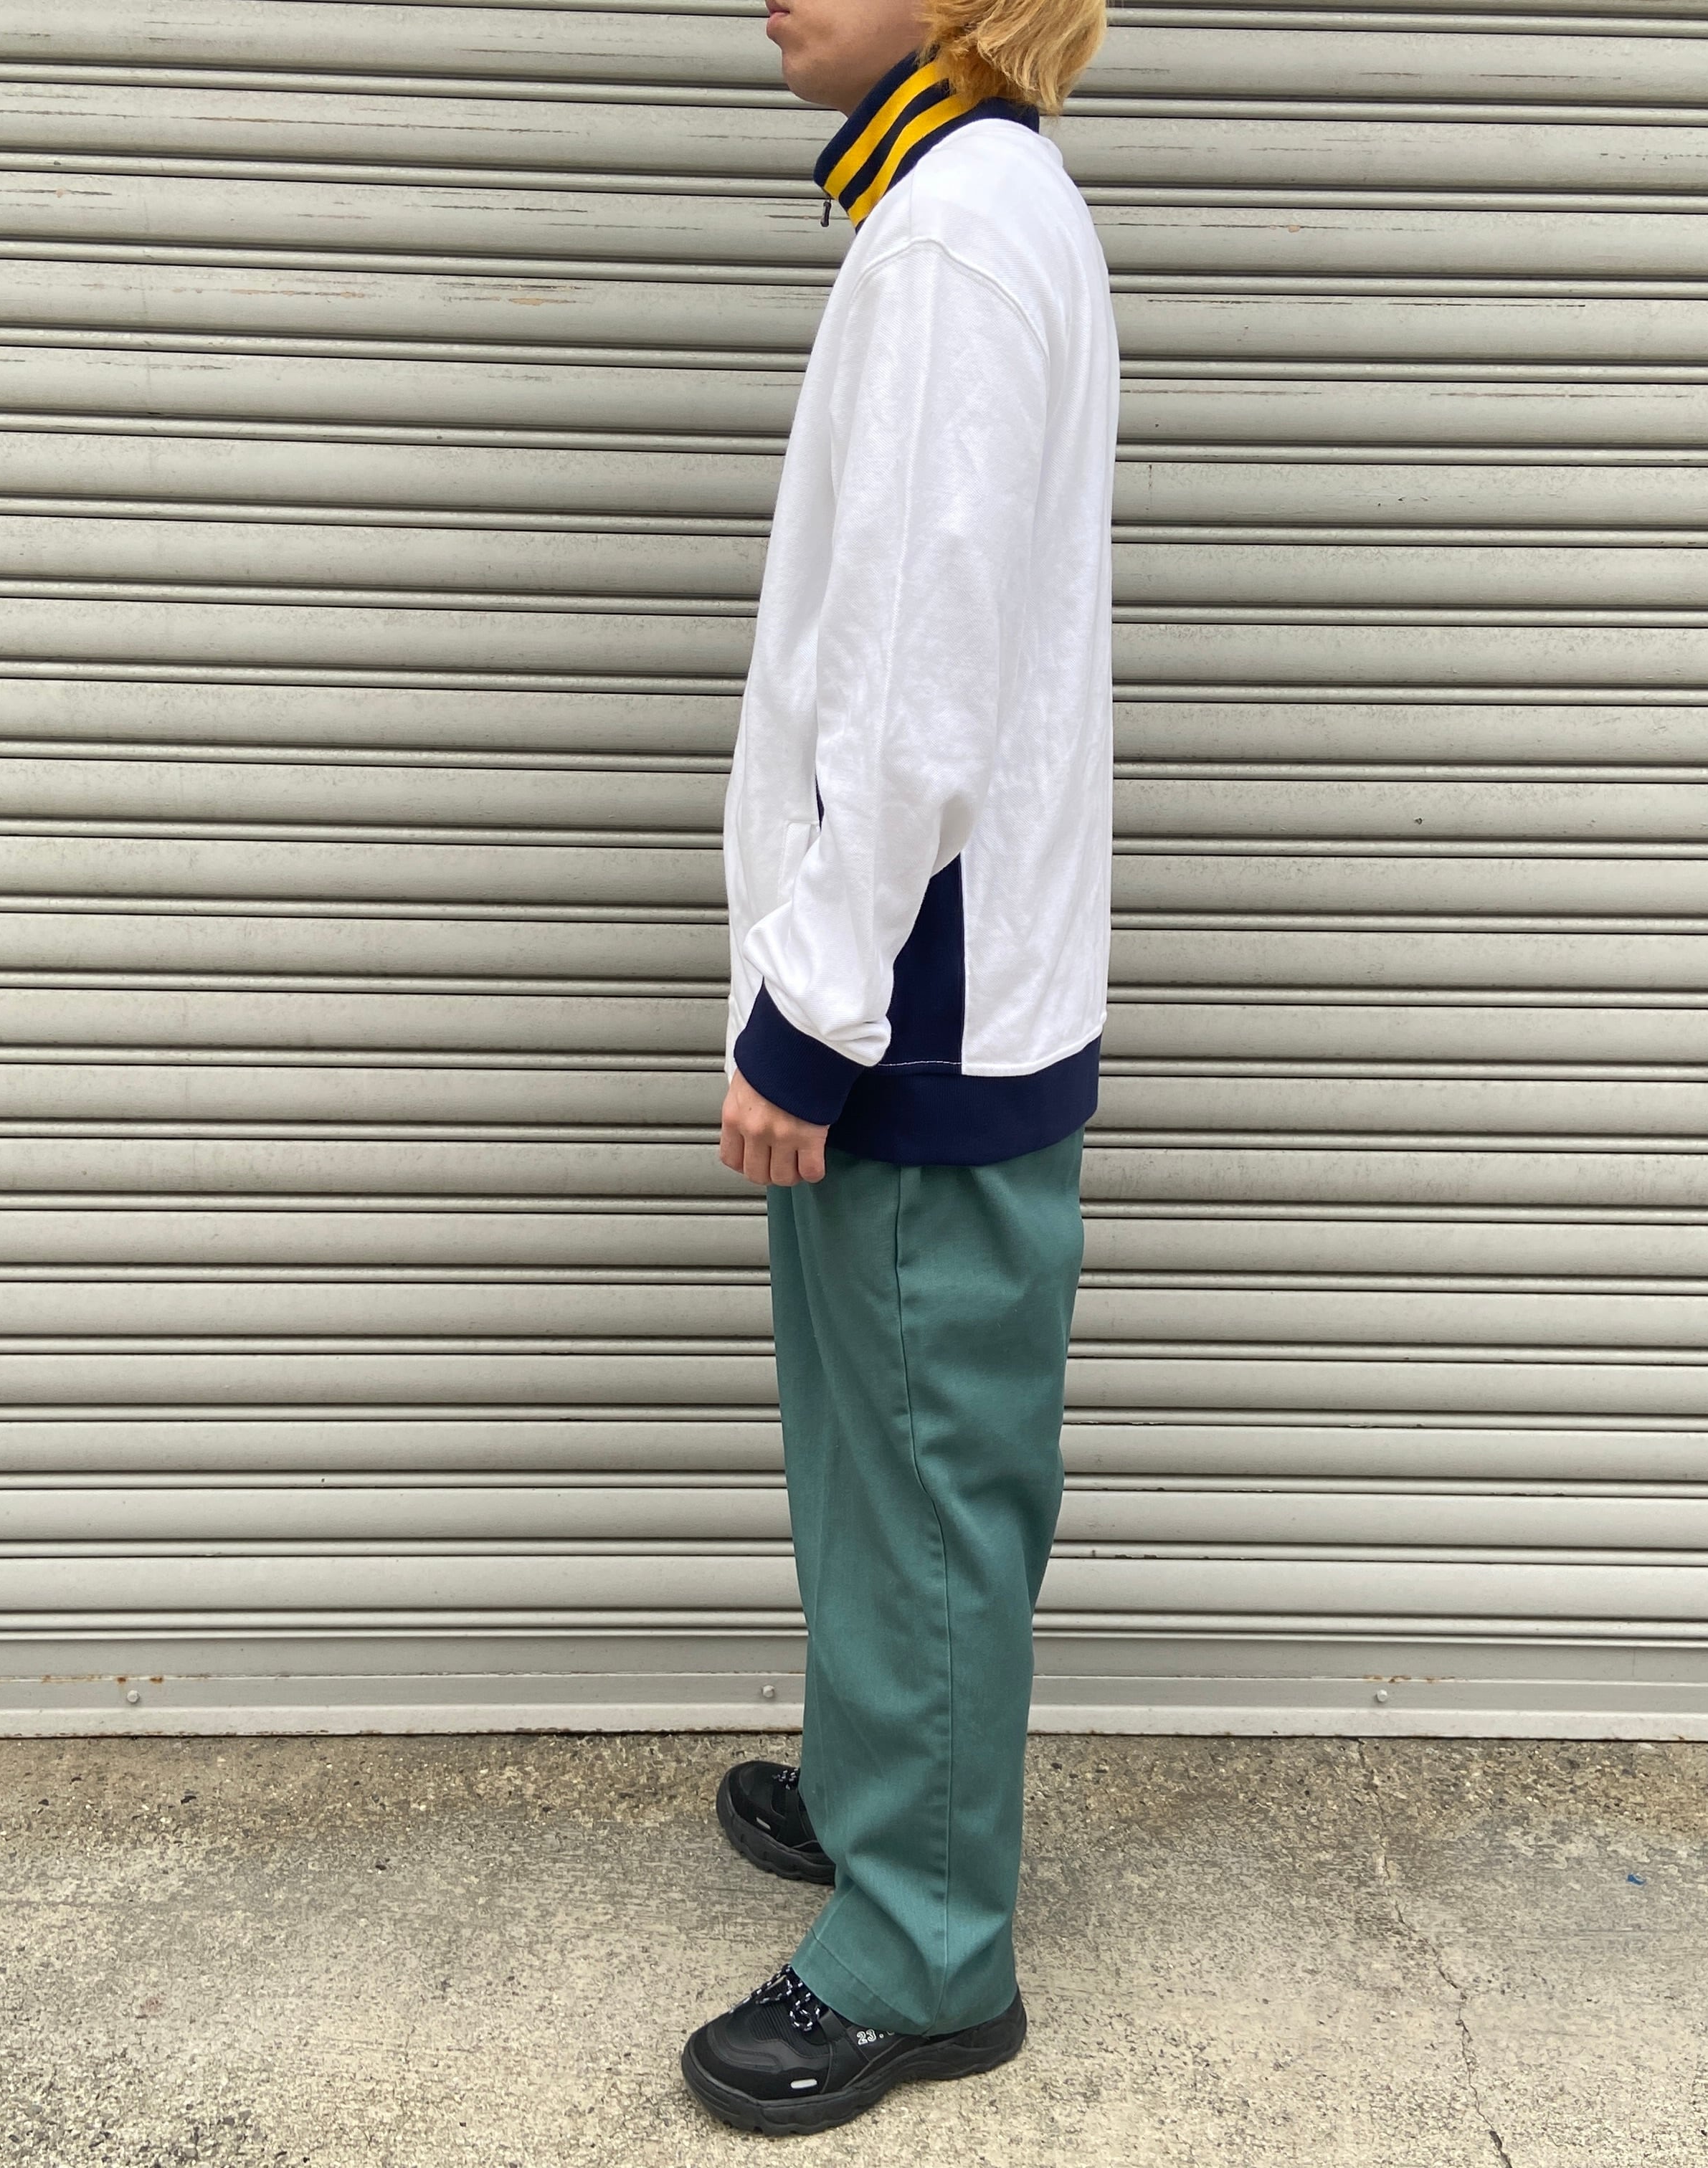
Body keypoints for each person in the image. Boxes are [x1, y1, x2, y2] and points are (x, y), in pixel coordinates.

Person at [678, 0, 1117, 2133]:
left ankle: (930, 1949)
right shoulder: (956, 201)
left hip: (913, 1004)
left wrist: (811, 1009)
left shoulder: (954, 228)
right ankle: (886, 1789)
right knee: (875, 1447)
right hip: (911, 987)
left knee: (927, 1473)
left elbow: (920, 683)